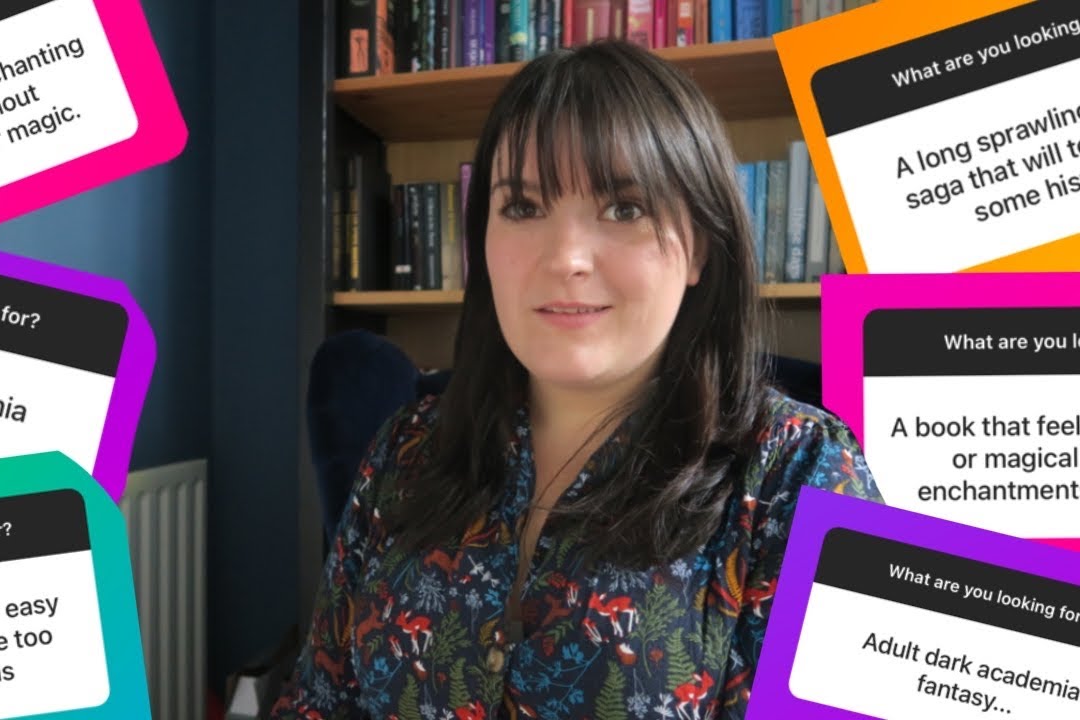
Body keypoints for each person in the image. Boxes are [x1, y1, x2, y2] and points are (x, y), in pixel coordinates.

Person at [273, 39, 882, 720]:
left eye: (624, 208)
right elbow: (316, 701)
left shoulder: (799, 473)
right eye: (523, 207)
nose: (566, 258)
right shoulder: (406, 449)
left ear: (699, 248)